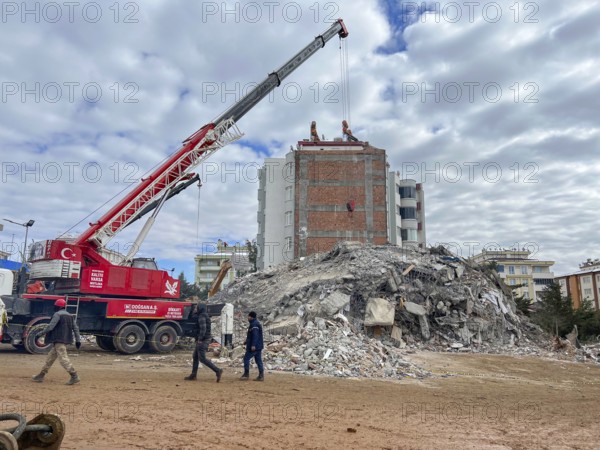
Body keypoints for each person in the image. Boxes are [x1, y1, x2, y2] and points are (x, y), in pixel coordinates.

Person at [32, 298, 81, 385]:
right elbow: (76, 328)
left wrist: (40, 334)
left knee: (63, 359)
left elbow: (50, 327)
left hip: (59, 340)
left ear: (58, 307)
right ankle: (41, 375)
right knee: (50, 358)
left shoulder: (57, 314)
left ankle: (74, 376)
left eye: (55, 306)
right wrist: (78, 340)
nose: (54, 307)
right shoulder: (70, 315)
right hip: (62, 340)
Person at [185, 303, 223, 382]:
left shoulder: (202, 316)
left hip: (203, 339)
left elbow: (203, 329)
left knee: (202, 358)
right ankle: (193, 375)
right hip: (205, 338)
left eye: (197, 308)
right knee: (195, 356)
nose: (196, 309)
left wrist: (200, 339)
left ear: (200, 308)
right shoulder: (204, 315)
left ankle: (217, 370)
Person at [241, 311, 264, 381]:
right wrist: (246, 341)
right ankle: (261, 375)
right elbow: (252, 336)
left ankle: (246, 374)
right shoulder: (255, 324)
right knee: (258, 360)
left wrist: (253, 345)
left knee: (246, 358)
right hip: (258, 346)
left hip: (254, 346)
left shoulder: (254, 325)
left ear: (251, 317)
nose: (247, 318)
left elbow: (255, 335)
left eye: (248, 316)